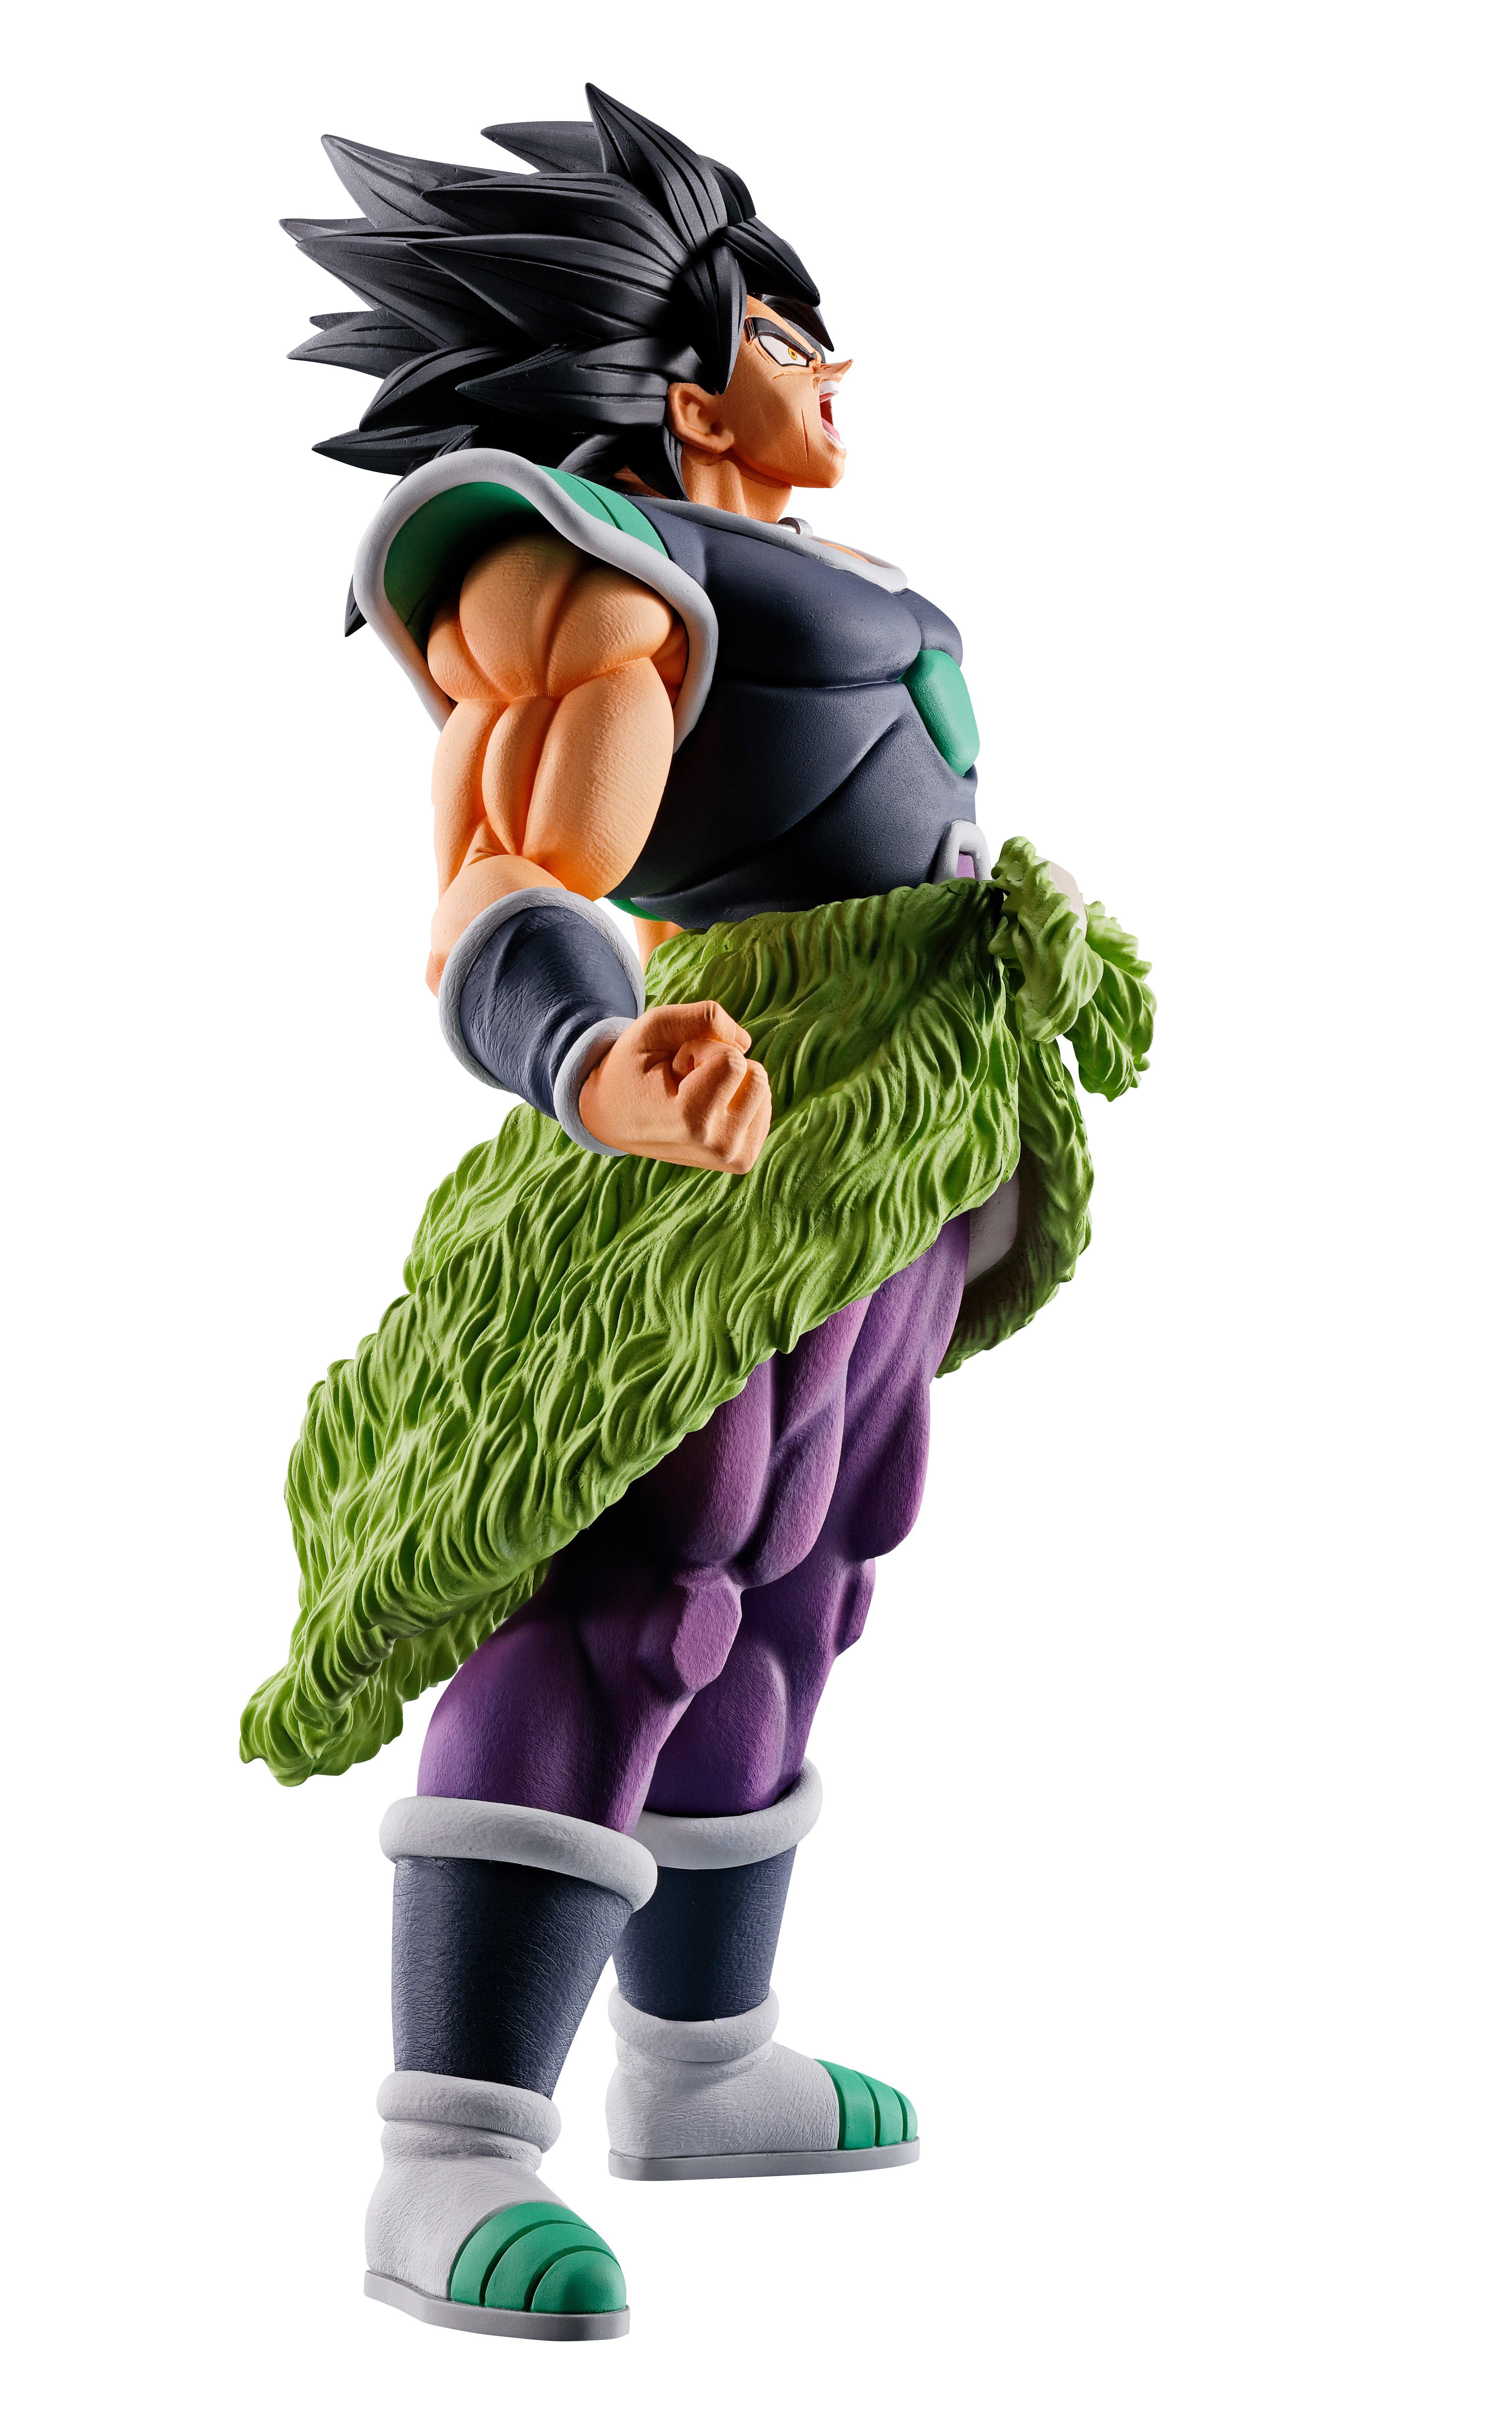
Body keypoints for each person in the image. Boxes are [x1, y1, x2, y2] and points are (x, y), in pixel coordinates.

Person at [242, 85, 1153, 2341]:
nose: (836, 365)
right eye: (793, 326)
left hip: (894, 1150)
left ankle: (705, 2054)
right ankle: (451, 2146)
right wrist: (594, 1058)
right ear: (688, 368)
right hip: (719, 1147)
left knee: (806, 1573)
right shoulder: (593, 564)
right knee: (636, 1575)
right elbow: (504, 875)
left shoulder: (823, 566)